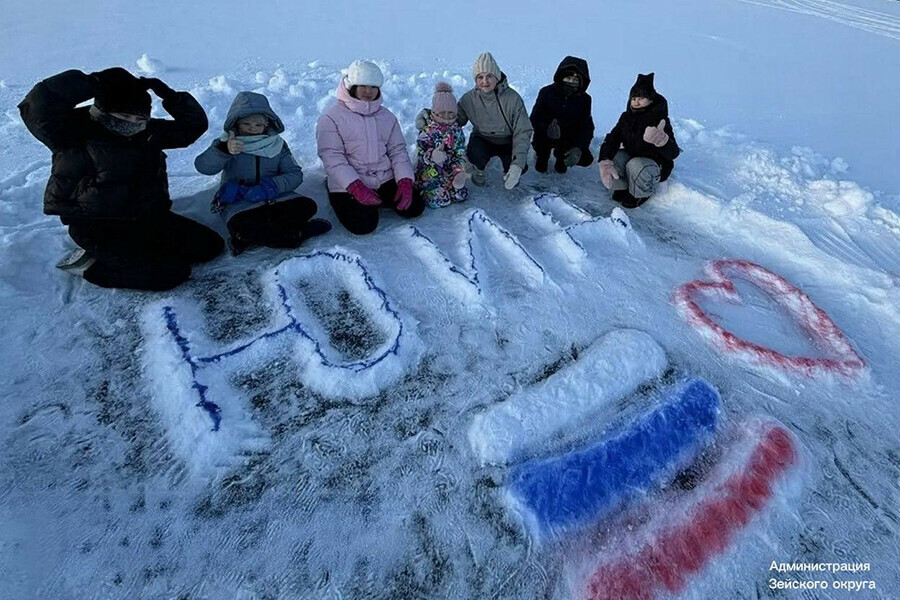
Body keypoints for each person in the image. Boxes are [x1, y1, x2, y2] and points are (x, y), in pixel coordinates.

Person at [18, 67, 223, 290]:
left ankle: (141, 253)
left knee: (210, 247)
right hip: (96, 225)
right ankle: (89, 266)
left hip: (147, 217)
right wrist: (97, 81)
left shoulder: (146, 132)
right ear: (103, 111)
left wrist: (169, 95)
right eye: (124, 116)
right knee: (171, 273)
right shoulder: (72, 132)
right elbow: (38, 104)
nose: (131, 123)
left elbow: (192, 127)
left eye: (139, 117)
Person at [195, 91, 331, 255]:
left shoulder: (277, 144)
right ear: (236, 123)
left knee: (308, 206)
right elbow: (203, 167)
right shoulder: (226, 143)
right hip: (241, 203)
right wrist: (223, 150)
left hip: (276, 198)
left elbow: (295, 174)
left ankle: (247, 238)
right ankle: (298, 233)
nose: (253, 129)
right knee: (244, 223)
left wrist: (270, 187)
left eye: (258, 125)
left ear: (267, 124)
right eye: (246, 124)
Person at [316, 60, 421, 235]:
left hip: (383, 177)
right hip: (349, 182)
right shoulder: (331, 118)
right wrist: (354, 186)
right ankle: (338, 192)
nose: (368, 91)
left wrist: (405, 181)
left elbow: (398, 151)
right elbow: (332, 157)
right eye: (362, 85)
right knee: (364, 225)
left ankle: (379, 198)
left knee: (415, 207)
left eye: (373, 86)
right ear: (352, 86)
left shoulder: (387, 117)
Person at [417, 52, 533, 190]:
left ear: (497, 76)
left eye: (489, 76)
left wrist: (517, 166)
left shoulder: (513, 99)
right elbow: (452, 118)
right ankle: (479, 169)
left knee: (520, 165)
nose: (485, 81)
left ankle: (511, 172)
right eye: (480, 77)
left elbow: (523, 131)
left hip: (509, 140)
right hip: (483, 138)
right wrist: (430, 115)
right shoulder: (469, 99)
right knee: (475, 153)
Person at [597, 73, 681, 208]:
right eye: (634, 98)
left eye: (641, 98)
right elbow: (612, 139)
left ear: (651, 100)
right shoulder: (626, 118)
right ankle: (622, 187)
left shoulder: (659, 120)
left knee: (635, 164)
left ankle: (640, 193)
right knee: (617, 156)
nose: (636, 102)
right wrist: (605, 160)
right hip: (634, 157)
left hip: (655, 164)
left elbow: (674, 153)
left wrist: (662, 142)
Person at [529, 56, 595, 174]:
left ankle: (561, 160)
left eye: (576, 80)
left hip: (567, 138)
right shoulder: (546, 92)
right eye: (568, 77)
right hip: (545, 135)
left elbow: (586, 127)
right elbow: (534, 117)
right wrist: (546, 128)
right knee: (541, 166)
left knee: (581, 161)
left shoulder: (585, 99)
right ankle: (541, 157)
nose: (571, 82)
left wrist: (579, 148)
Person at [415, 83, 469, 208]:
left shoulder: (456, 130)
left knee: (461, 194)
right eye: (442, 113)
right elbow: (421, 152)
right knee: (439, 200)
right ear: (434, 113)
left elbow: (460, 153)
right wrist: (431, 155)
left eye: (450, 113)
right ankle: (429, 191)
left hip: (449, 172)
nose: (446, 117)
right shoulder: (427, 131)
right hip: (430, 173)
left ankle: (451, 185)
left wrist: (458, 173)